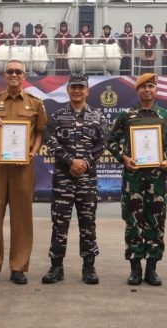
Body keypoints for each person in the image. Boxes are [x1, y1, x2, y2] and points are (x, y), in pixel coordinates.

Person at [107, 73, 167, 286]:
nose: (147, 90)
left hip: (157, 179)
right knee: (133, 221)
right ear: (137, 91)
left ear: (156, 90)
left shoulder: (165, 115)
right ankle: (135, 268)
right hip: (133, 178)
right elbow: (110, 140)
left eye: (151, 86)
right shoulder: (127, 116)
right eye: (143, 87)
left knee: (156, 222)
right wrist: (123, 157)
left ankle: (152, 268)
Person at [0, 60, 48, 285]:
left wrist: (34, 152)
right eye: (10, 71)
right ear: (4, 75)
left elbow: (39, 133)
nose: (14, 75)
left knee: (22, 216)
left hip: (23, 164)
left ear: (25, 75)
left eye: (18, 71)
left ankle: (18, 267)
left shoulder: (35, 103)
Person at [41, 73, 108, 285]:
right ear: (68, 90)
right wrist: (70, 161)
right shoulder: (58, 115)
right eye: (73, 87)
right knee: (59, 222)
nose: (77, 90)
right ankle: (56, 266)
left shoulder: (98, 116)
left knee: (88, 222)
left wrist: (85, 162)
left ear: (87, 91)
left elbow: (103, 142)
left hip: (87, 179)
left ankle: (89, 267)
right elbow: (50, 140)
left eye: (81, 87)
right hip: (63, 178)